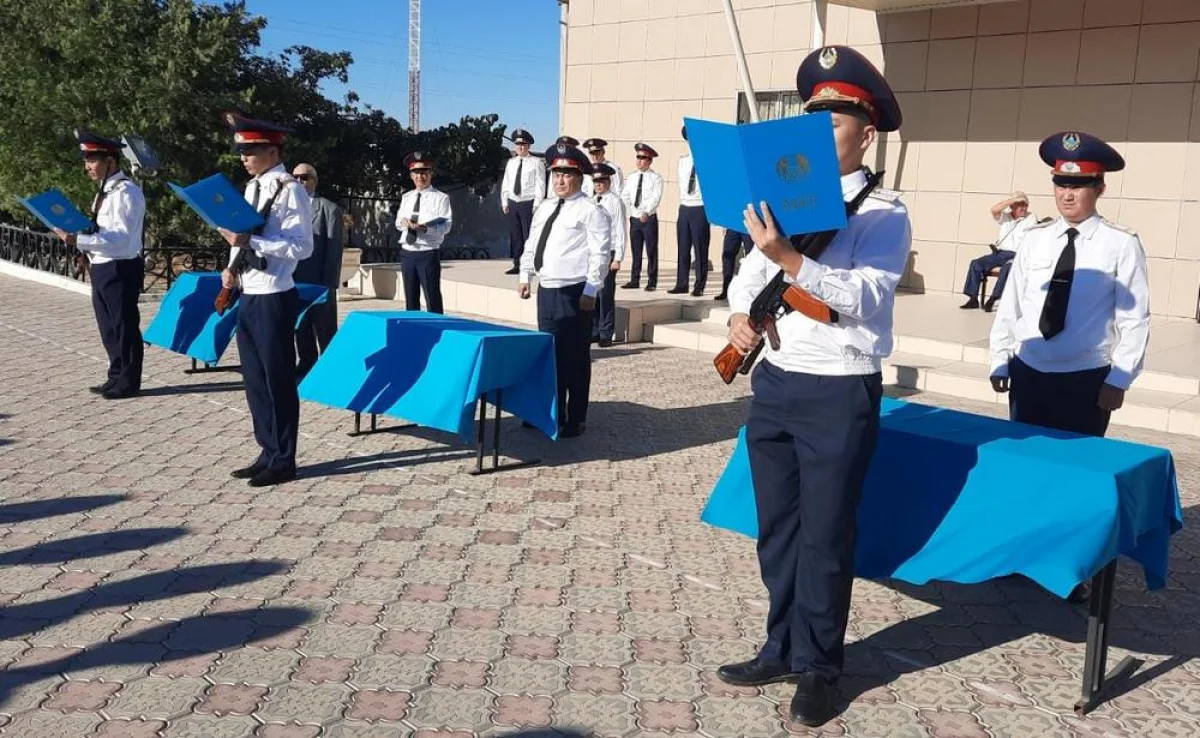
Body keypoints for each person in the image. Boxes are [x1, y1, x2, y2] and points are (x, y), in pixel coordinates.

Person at [717, 45, 911, 728]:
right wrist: (739, 317)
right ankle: (780, 645)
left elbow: (866, 296)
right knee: (777, 531)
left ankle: (821, 667)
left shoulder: (884, 213)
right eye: (813, 120)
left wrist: (792, 259)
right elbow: (746, 278)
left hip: (837, 389)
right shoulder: (787, 199)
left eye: (834, 121)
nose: (821, 132)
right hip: (775, 382)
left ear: (867, 131)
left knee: (826, 537)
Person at [989, 133, 1150, 438]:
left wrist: (1119, 379)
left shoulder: (1121, 243)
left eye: (1077, 186)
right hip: (1028, 371)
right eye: (1060, 184)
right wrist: (1000, 358)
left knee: (1075, 470)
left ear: (1099, 188)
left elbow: (1135, 319)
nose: (1067, 195)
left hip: (1085, 379)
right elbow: (1012, 305)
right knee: (1026, 461)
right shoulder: (1035, 238)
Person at [218, 112, 314, 487]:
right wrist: (232, 269)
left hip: (275, 294)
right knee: (255, 379)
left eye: (251, 149)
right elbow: (240, 237)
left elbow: (302, 247)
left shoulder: (290, 189)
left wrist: (252, 243)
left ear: (272, 150)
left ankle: (284, 458)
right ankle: (267, 449)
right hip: (250, 291)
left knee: (277, 380)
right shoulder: (252, 187)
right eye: (241, 149)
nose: (243, 156)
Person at [517, 144, 610, 438]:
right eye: (556, 174)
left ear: (579, 177)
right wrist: (525, 274)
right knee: (548, 354)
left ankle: (576, 417)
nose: (559, 180)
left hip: (574, 293)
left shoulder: (591, 211)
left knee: (575, 358)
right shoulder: (545, 207)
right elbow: (532, 242)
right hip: (547, 289)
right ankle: (549, 411)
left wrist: (592, 289)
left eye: (566, 174)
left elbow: (601, 254)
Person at [53, 129, 146, 400]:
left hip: (120, 266)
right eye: (86, 161)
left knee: (123, 325)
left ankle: (129, 381)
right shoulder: (105, 192)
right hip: (103, 265)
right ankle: (115, 374)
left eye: (92, 161)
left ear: (110, 161)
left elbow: (120, 238)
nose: (87, 167)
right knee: (108, 326)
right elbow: (100, 230)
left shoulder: (125, 192)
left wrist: (78, 240)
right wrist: (84, 243)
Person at [291, 163, 345, 381]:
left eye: (304, 177)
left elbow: (334, 250)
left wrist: (330, 283)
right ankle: (306, 363)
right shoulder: (286, 209)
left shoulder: (328, 209)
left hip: (319, 279)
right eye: (294, 177)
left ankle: (329, 369)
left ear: (314, 180)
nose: (299, 182)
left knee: (325, 327)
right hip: (293, 279)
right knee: (300, 326)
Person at [395, 152, 453, 313]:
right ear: (411, 176)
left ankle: (437, 329)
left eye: (424, 173)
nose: (420, 177)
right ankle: (412, 332)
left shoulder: (441, 198)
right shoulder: (407, 197)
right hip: (408, 251)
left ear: (431, 174)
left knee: (432, 296)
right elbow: (398, 222)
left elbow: (446, 226)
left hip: (427, 252)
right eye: (416, 174)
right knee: (410, 297)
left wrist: (425, 229)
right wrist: (405, 223)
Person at [961, 192, 1038, 312]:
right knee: (976, 263)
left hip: (1016, 255)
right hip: (999, 253)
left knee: (1007, 269)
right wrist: (1012, 200)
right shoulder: (1005, 216)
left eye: (1025, 205)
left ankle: (993, 299)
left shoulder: (1030, 217)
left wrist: (1019, 210)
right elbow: (993, 210)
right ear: (1012, 206)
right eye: (1019, 205)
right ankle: (973, 299)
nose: (1023, 208)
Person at [591, 163, 627, 347]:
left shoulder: (615, 201)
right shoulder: (591, 200)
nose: (598, 184)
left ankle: (606, 332)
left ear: (608, 181)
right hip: (593, 252)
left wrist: (618, 257)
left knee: (605, 294)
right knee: (593, 291)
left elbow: (620, 230)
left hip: (609, 251)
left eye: (602, 181)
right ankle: (594, 330)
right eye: (595, 181)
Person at [672, 125, 710, 296]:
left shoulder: (707, 160)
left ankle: (699, 285)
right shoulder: (683, 161)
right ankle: (682, 283)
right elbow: (681, 184)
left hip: (700, 207)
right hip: (685, 206)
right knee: (683, 246)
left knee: (700, 249)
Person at [501, 129, 546, 275]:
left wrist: (537, 204)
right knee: (515, 235)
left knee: (529, 235)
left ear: (529, 146)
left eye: (523, 145)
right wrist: (504, 201)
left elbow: (540, 184)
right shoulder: (511, 163)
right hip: (513, 201)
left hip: (528, 202)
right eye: (518, 145)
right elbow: (506, 182)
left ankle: (531, 264)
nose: (520, 147)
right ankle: (517, 264)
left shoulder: (536, 162)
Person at [620, 142, 663, 292]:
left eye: (643, 158)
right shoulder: (631, 177)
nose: (639, 160)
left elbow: (656, 197)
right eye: (638, 157)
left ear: (650, 160)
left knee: (651, 250)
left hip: (649, 219)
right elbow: (625, 196)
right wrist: (632, 211)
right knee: (636, 251)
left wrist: (647, 211)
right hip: (635, 218)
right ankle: (634, 279)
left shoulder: (655, 177)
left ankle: (652, 281)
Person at [716, 228, 754, 301]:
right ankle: (726, 290)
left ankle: (751, 291)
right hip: (733, 226)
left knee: (751, 257)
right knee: (727, 255)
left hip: (749, 225)